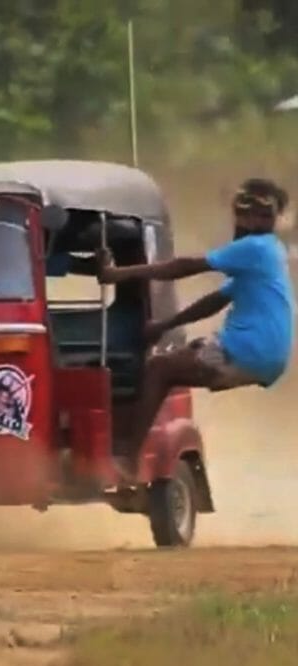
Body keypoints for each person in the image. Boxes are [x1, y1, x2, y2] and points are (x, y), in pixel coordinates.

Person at [96, 178, 295, 479]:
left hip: (247, 350)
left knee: (158, 369)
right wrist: (166, 324)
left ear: (251, 217)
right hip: (269, 357)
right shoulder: (270, 250)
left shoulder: (252, 248)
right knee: (183, 357)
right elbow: (216, 300)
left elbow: (184, 266)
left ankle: (127, 458)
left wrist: (117, 274)